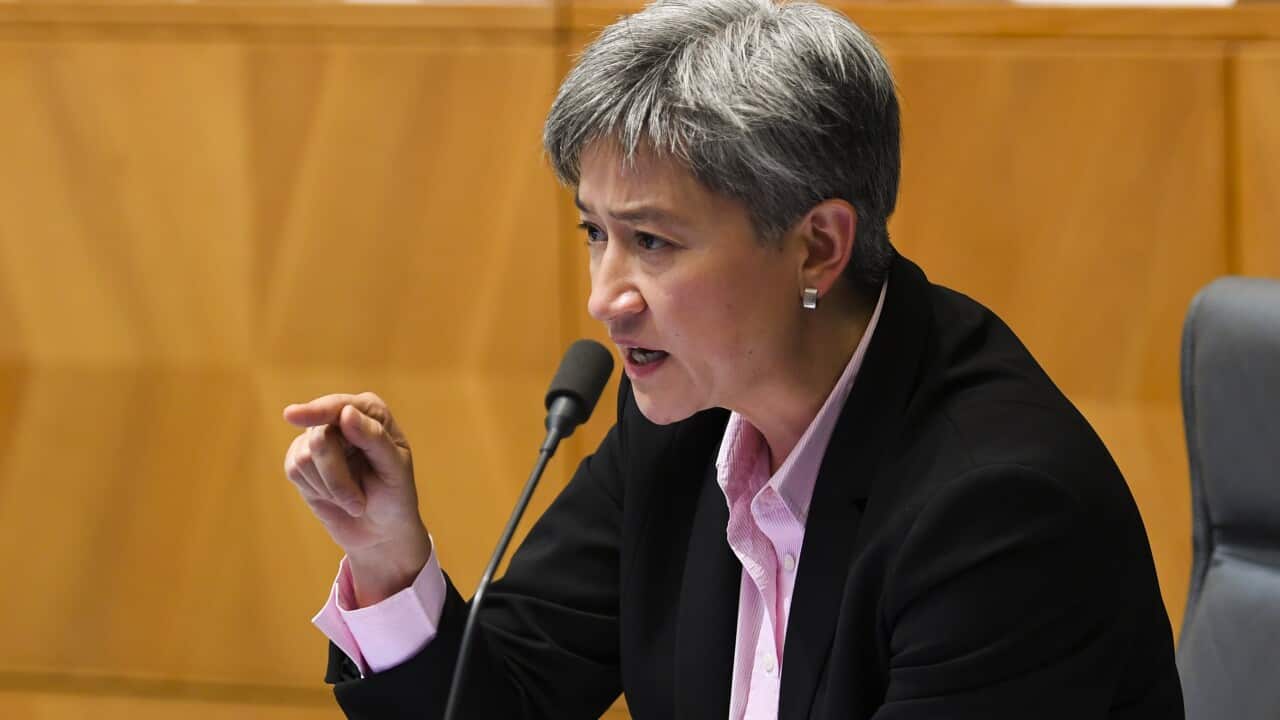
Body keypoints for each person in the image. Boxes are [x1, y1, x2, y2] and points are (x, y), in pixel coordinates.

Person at [281, 0, 1185, 717]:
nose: (605, 295)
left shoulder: (997, 511)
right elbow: (505, 699)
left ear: (819, 248)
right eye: (596, 232)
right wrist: (390, 556)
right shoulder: (683, 417)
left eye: (654, 242)